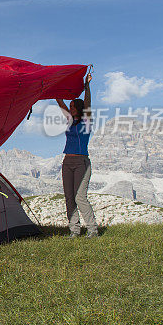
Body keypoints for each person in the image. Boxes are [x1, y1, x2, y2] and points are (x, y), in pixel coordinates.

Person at [56, 73, 98, 238]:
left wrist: (87, 85)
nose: (70, 107)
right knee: (69, 198)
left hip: (82, 162)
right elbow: (60, 102)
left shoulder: (86, 121)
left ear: (79, 109)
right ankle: (74, 231)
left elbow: (87, 104)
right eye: (70, 105)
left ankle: (92, 230)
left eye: (73, 106)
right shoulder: (70, 121)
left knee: (80, 197)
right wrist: (54, 88)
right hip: (67, 162)